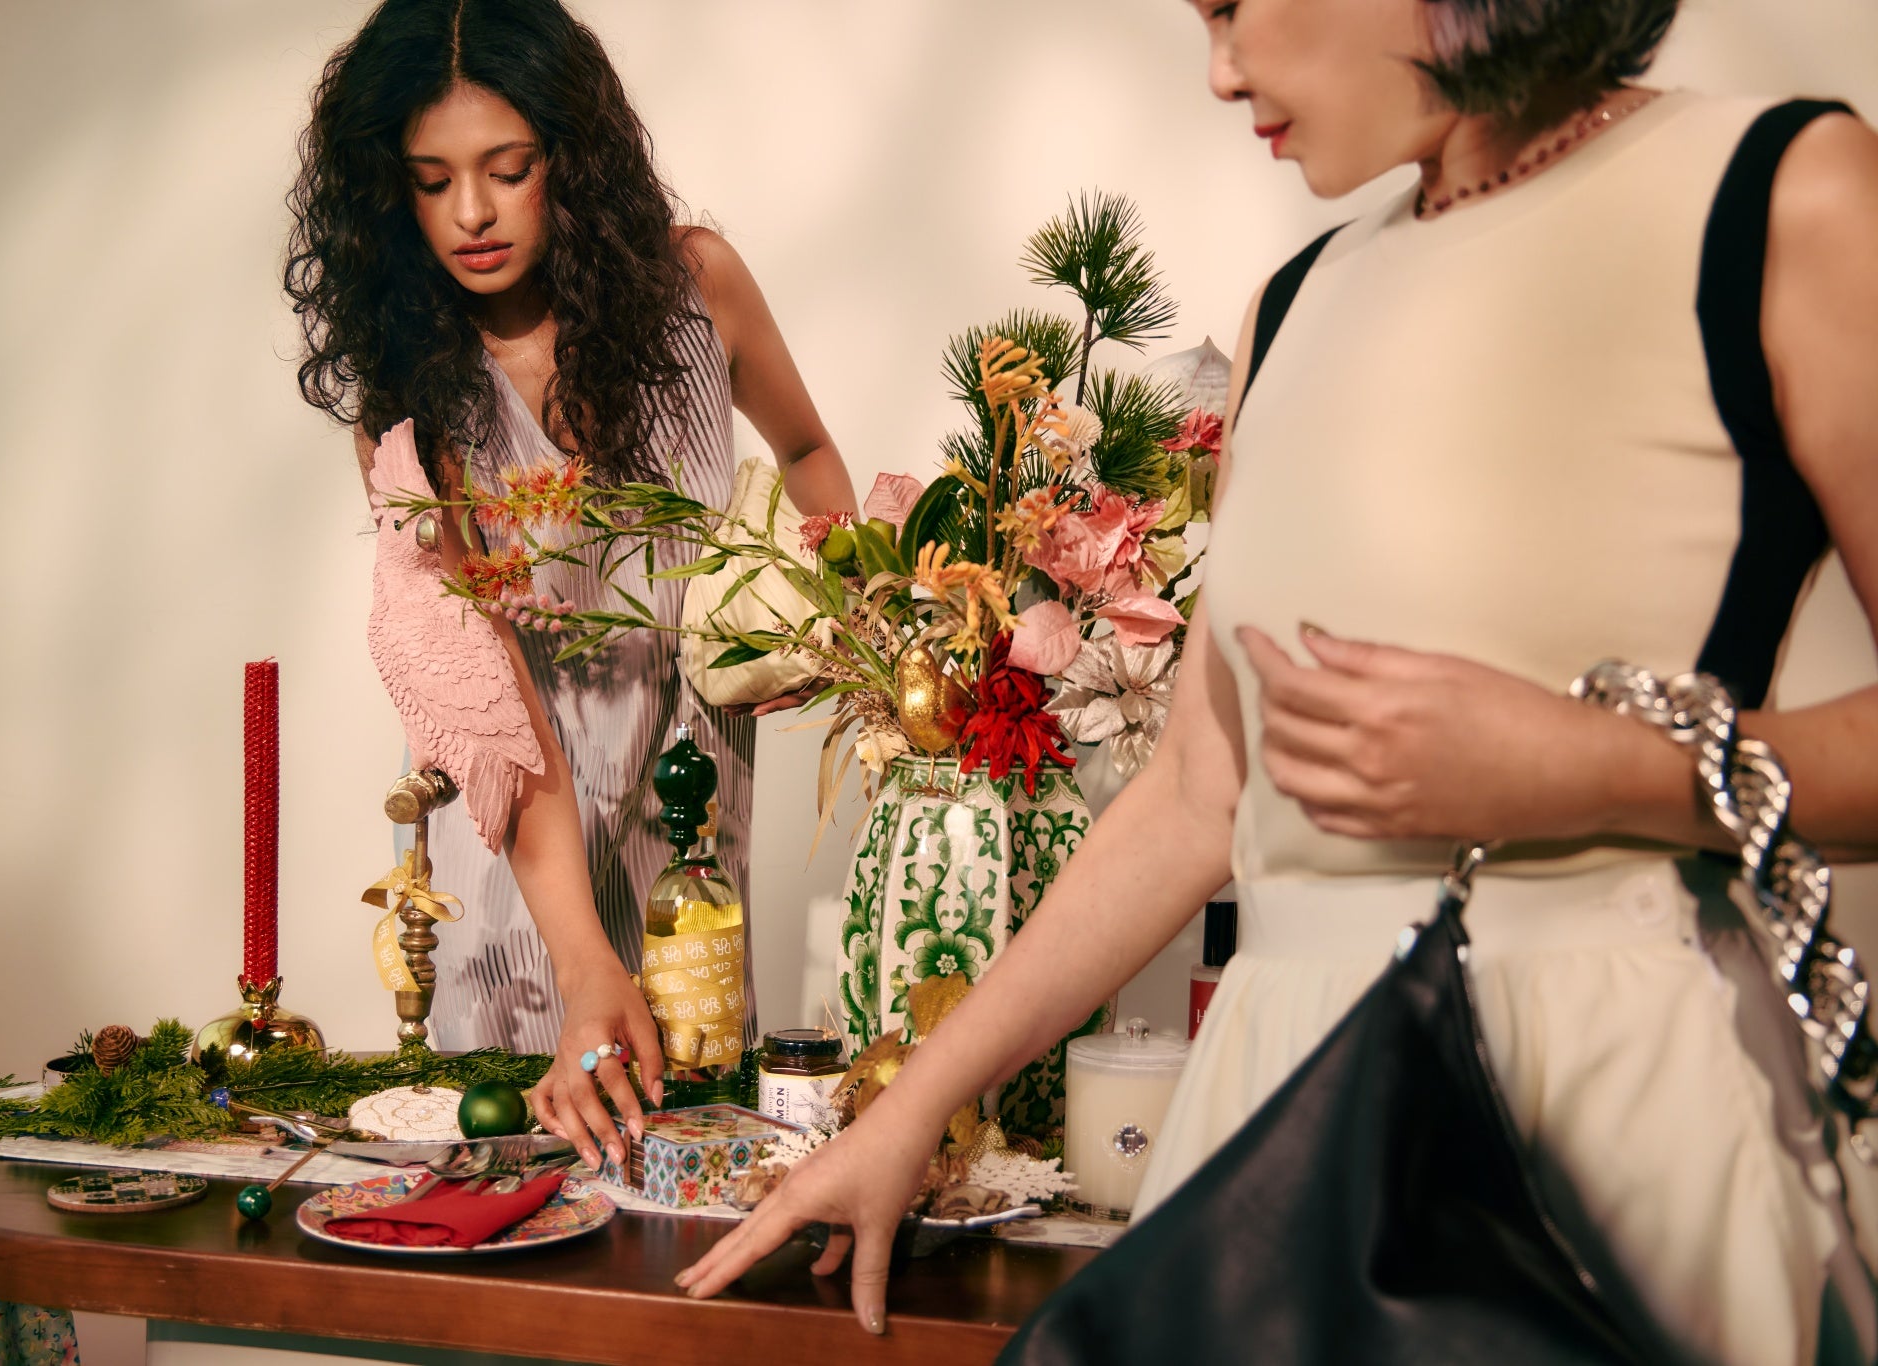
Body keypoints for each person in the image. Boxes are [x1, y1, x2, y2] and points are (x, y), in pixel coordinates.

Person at [677, 1, 1878, 1359]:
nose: (1219, 71)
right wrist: (909, 1111)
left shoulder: (1781, 195)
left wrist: (1598, 770)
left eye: (1233, 7)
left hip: (1615, 1124)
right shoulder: (1298, 301)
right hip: (1275, 1117)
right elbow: (1199, 796)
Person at [285, 0, 857, 1171]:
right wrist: (584, 958)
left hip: (688, 832)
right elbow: (486, 682)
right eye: (432, 181)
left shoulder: (698, 289)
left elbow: (805, 453)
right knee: (516, 1171)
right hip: (518, 857)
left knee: (695, 1159)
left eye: (508, 169)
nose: (471, 213)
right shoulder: (406, 394)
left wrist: (819, 612)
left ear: (572, 156)